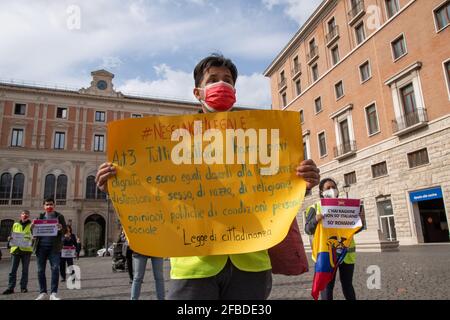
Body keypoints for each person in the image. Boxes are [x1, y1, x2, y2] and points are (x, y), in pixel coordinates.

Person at [96, 54, 320, 300]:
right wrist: (118, 187)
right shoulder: (172, 142)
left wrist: (302, 183)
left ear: (235, 91)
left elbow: (276, 190)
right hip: (194, 265)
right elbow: (156, 190)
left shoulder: (261, 137)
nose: (221, 84)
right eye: (212, 79)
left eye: (227, 80)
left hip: (251, 262)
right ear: (198, 92)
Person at [305, 178, 364, 300]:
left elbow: (355, 229)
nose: (331, 190)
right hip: (326, 254)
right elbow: (308, 229)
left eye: (333, 187)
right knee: (327, 287)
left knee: (348, 285)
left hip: (346, 254)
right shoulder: (315, 207)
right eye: (328, 188)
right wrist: (315, 219)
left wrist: (359, 222)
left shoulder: (347, 207)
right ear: (321, 192)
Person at [32, 198, 67, 300]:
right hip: (41, 247)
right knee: (40, 270)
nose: (49, 206)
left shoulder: (59, 216)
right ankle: (43, 292)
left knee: (55, 269)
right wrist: (32, 227)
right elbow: (33, 232)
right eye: (47, 205)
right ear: (44, 206)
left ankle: (53, 293)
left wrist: (61, 228)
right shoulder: (40, 216)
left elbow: (65, 230)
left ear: (54, 205)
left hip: (54, 247)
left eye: (51, 204)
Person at [2, 210, 33, 295]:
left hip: (26, 250)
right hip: (15, 249)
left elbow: (34, 236)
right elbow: (11, 235)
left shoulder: (32, 225)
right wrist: (9, 239)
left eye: (26, 214)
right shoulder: (15, 224)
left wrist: (33, 239)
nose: (25, 215)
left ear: (29, 216)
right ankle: (10, 287)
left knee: (25, 270)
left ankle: (23, 287)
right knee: (12, 270)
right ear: (21, 215)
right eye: (23, 214)